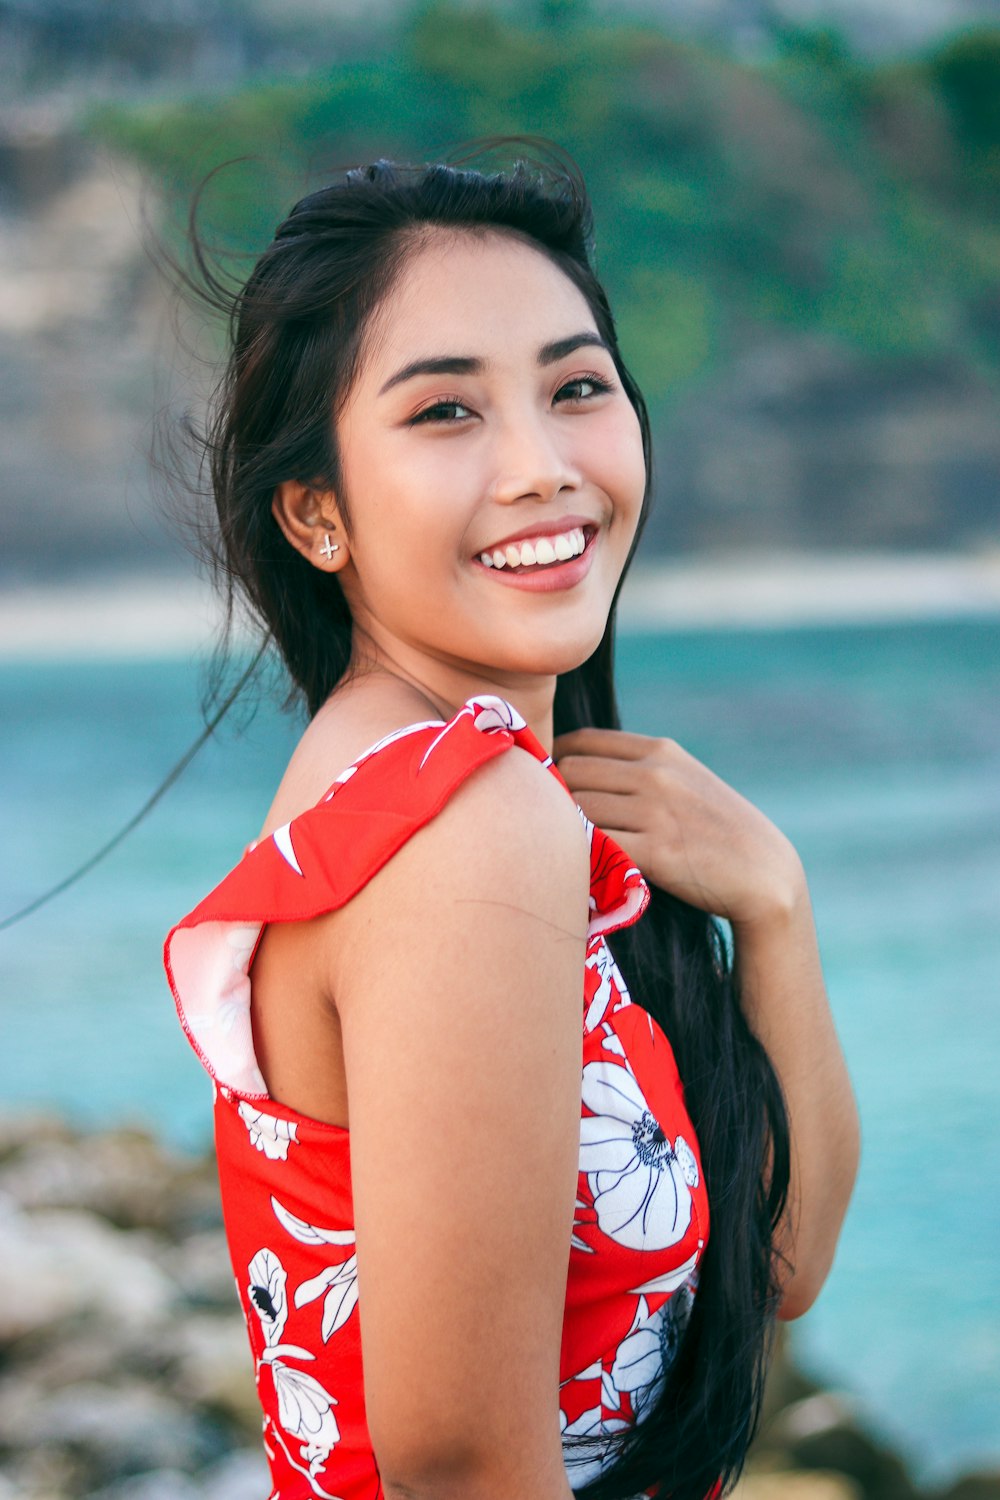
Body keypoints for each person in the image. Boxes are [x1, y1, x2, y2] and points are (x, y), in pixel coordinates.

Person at [164, 149, 860, 1500]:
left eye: (577, 387)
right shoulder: (461, 829)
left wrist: (772, 902)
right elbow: (462, 1467)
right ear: (315, 513)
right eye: (444, 414)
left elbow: (780, 1269)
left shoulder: (432, 790)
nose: (543, 467)